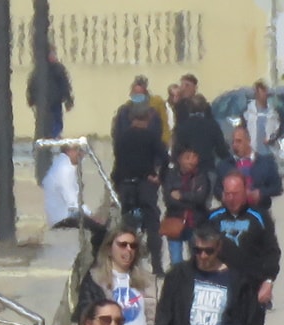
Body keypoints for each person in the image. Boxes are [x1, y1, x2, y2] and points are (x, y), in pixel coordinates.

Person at [82, 222, 156, 325]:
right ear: (109, 249)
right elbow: (87, 323)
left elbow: (153, 323)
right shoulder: (95, 281)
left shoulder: (147, 282)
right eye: (122, 245)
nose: (128, 250)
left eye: (133, 246)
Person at [211, 171, 282, 306]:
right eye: (228, 194)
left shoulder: (260, 216)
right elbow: (199, 250)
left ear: (245, 191)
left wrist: (268, 281)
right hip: (220, 288)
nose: (231, 198)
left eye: (236, 194)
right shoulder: (213, 218)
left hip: (252, 288)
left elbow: (272, 251)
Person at [111, 106, 167, 267]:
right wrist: (159, 177)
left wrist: (117, 184)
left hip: (126, 184)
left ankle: (126, 262)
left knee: (127, 226)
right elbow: (165, 159)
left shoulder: (122, 138)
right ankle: (157, 264)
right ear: (148, 119)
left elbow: (118, 162)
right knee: (152, 225)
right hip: (145, 184)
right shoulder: (151, 137)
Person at [44, 143, 106, 248]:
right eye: (79, 151)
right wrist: (90, 215)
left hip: (62, 214)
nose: (82, 155)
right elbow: (72, 202)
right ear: (69, 151)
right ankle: (95, 260)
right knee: (101, 231)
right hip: (62, 217)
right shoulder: (64, 169)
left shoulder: (61, 164)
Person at [160, 147, 213, 266]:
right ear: (179, 159)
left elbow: (201, 199)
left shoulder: (202, 176)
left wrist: (181, 195)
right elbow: (169, 200)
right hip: (175, 220)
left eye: (194, 157)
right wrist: (191, 197)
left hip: (195, 222)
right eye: (187, 157)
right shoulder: (171, 176)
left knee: (198, 260)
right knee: (176, 262)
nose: (191, 161)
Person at [222, 124, 283, 227]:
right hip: (233, 216)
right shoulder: (226, 165)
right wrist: (224, 195)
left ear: (248, 141)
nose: (235, 145)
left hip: (259, 213)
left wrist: (260, 193)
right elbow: (217, 189)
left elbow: (277, 187)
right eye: (233, 142)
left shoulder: (265, 163)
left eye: (239, 141)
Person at [27, 48, 73, 139]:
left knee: (56, 122)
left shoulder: (57, 69)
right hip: (44, 103)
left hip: (54, 101)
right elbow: (32, 86)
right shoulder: (40, 70)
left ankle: (52, 136)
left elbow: (65, 85)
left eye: (54, 54)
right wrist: (31, 99)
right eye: (51, 54)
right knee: (49, 123)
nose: (53, 56)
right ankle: (50, 137)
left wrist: (68, 100)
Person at [171, 91, 226, 169]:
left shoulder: (183, 126)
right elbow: (221, 149)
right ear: (204, 107)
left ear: (189, 108)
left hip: (189, 168)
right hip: (207, 167)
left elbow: (177, 150)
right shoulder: (212, 125)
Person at [242, 80, 284, 158]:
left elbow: (279, 130)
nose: (264, 96)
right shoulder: (248, 113)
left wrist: (271, 139)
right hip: (252, 153)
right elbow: (243, 130)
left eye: (265, 93)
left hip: (268, 153)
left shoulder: (273, 113)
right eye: (261, 93)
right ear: (257, 94)